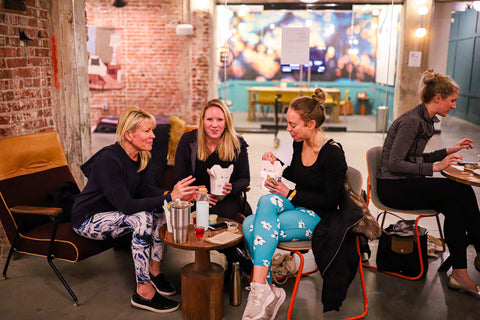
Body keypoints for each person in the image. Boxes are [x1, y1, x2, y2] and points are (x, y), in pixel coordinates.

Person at [71, 106, 198, 313]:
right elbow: (127, 205)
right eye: (147, 131)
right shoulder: (108, 160)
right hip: (87, 219)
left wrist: (175, 195)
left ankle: (154, 272)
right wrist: (169, 196)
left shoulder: (141, 157)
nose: (153, 136)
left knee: (160, 211)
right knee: (141, 217)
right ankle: (143, 291)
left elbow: (151, 191)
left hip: (115, 215)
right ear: (129, 134)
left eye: (152, 130)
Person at [242, 88, 348, 320]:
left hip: (320, 215)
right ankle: (265, 289)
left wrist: (290, 195)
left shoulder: (332, 154)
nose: (288, 130)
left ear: (311, 124)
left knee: (251, 225)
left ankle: (263, 290)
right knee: (263, 203)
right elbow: (298, 174)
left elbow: (330, 201)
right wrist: (276, 163)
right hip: (298, 206)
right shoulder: (300, 142)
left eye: (293, 125)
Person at [377, 69, 480, 299]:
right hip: (392, 187)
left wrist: (447, 151)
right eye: (452, 101)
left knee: (454, 206)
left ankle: (460, 274)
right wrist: (435, 167)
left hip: (405, 183)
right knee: (459, 189)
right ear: (438, 98)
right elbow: (395, 164)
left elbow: (413, 158)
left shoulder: (424, 119)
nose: (453, 106)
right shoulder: (412, 121)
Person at [174, 98, 253, 273]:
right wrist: (196, 195)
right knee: (204, 214)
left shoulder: (237, 143)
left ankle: (237, 260)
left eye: (219, 119)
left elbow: (245, 179)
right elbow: (179, 178)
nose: (214, 125)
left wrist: (231, 188)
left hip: (227, 199)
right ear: (202, 121)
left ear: (226, 122)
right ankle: (236, 260)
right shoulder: (189, 141)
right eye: (209, 119)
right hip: (195, 198)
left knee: (225, 213)